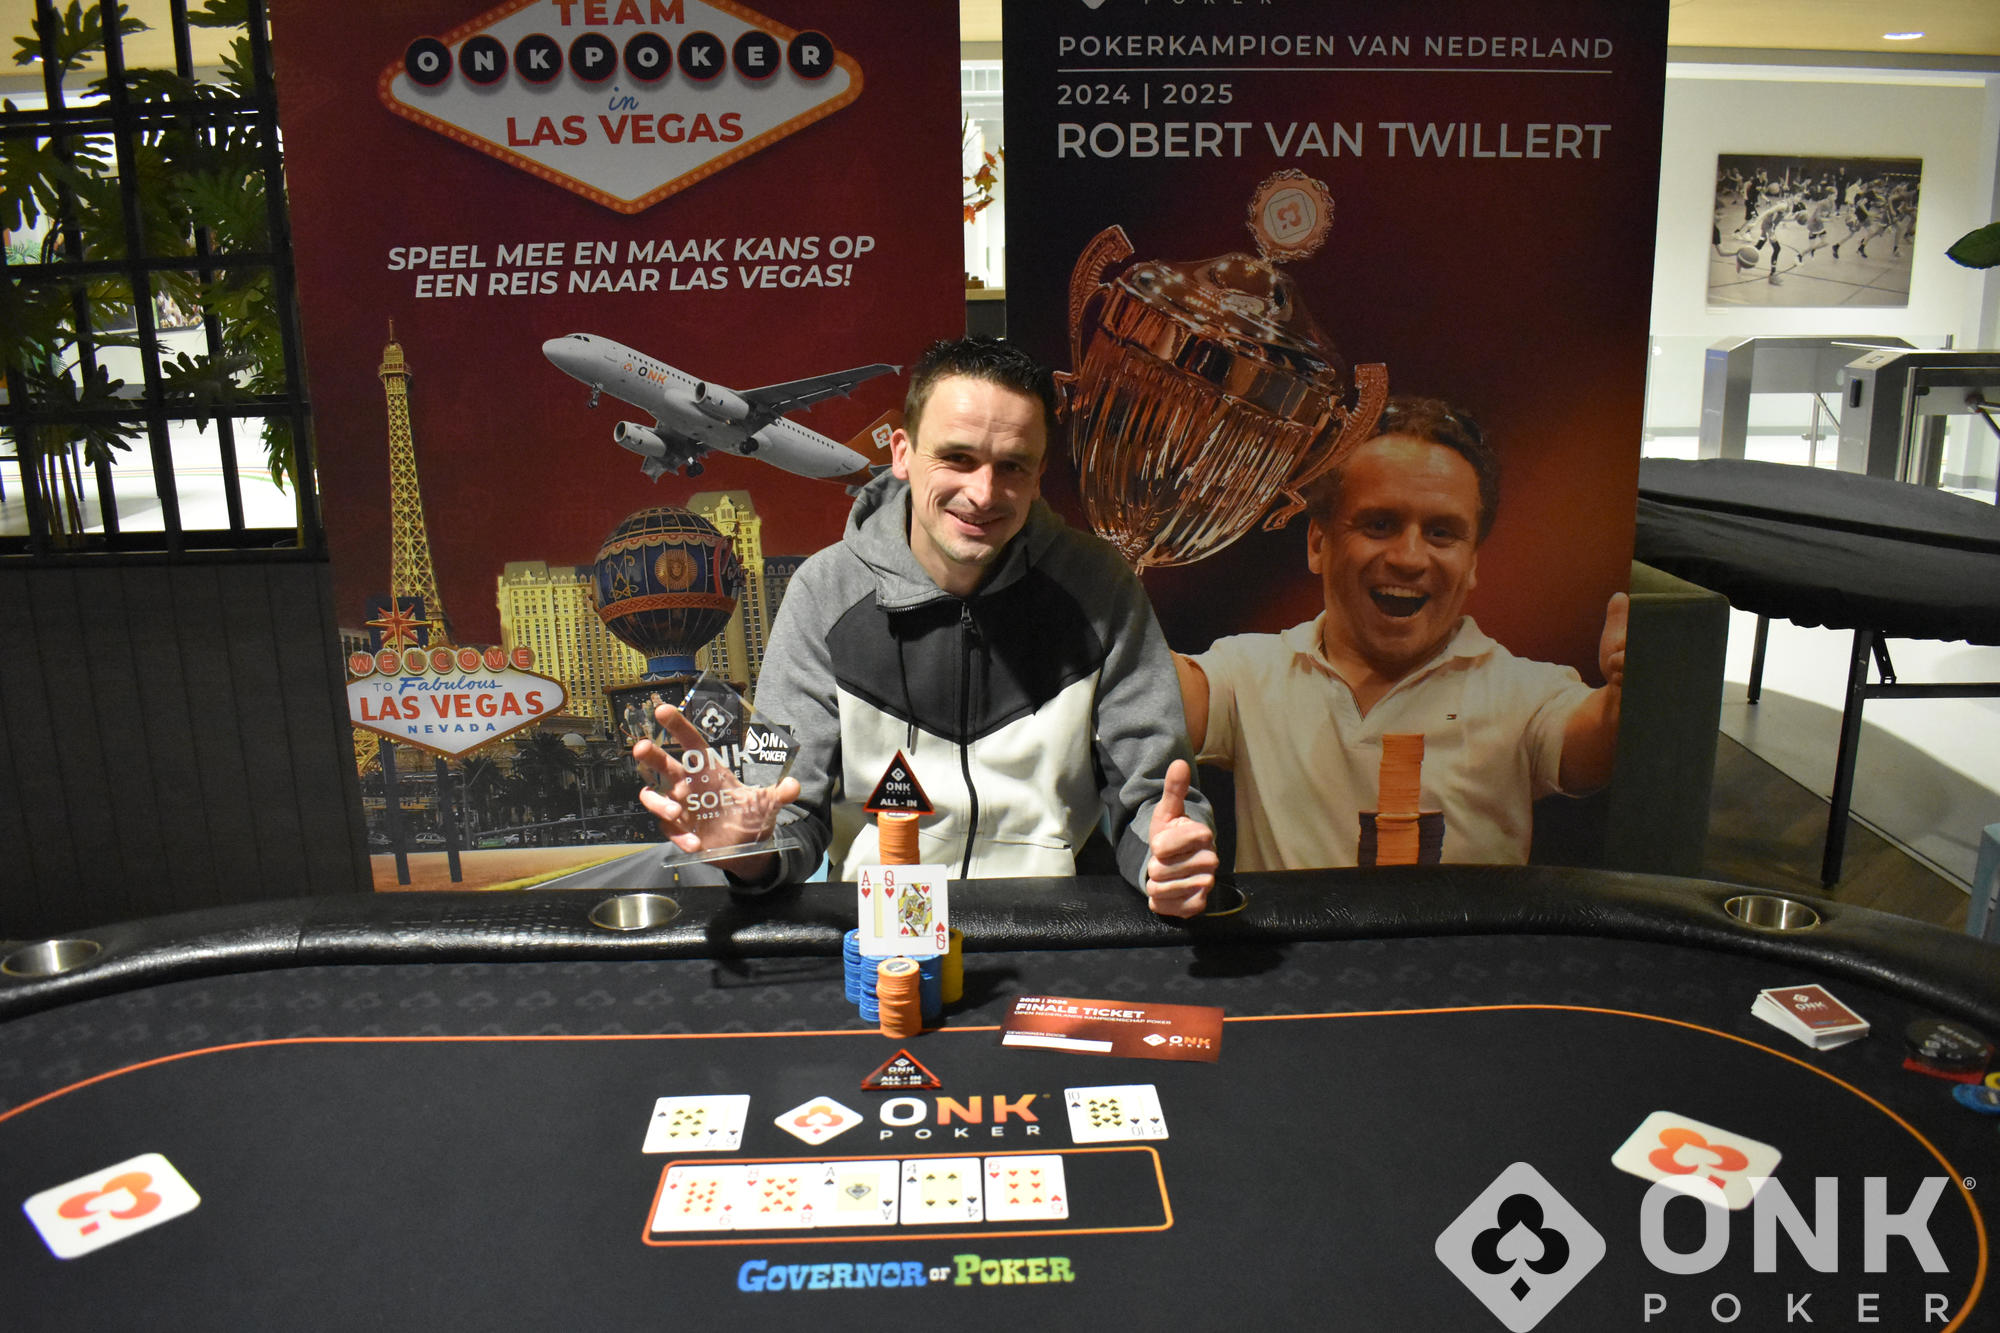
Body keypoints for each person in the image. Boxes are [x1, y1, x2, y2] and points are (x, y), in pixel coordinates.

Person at [635, 336, 1219, 916]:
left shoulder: (1099, 586)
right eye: (957, 458)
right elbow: (786, 814)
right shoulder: (823, 592)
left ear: (1040, 473)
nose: (983, 494)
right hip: (878, 931)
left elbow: (1157, 801)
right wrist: (749, 849)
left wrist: (1168, 855)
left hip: (1050, 927)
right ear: (902, 453)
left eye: (1012, 466)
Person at [1174, 397, 1626, 871]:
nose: (1409, 559)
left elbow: (1595, 745)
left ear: (1472, 563)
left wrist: (1630, 687)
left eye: (1441, 533)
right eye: (1380, 525)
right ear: (1318, 543)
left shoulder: (1523, 694)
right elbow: (1150, 691)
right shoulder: (1249, 675)